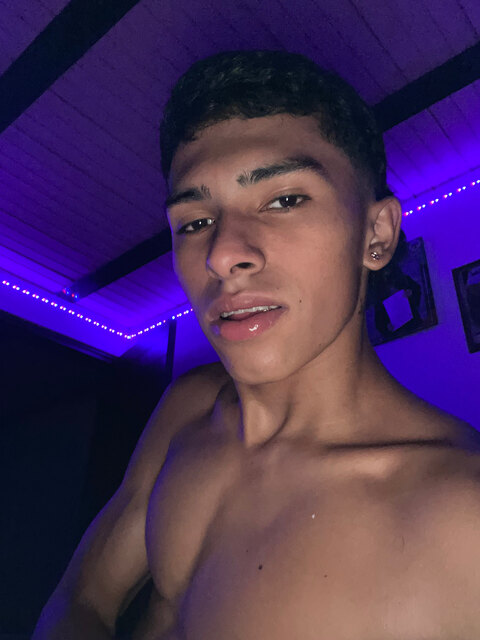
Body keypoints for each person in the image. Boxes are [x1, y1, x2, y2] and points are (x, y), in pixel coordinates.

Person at [33, 50, 480, 640]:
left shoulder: (460, 519)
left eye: (285, 200)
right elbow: (83, 597)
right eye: (194, 222)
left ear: (376, 234)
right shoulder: (188, 407)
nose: (221, 254)